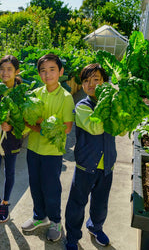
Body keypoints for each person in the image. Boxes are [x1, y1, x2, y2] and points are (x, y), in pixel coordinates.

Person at [65, 63, 123, 249]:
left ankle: (95, 227)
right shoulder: (82, 106)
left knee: (100, 203)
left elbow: (121, 131)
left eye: (96, 80)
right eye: (86, 81)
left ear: (105, 82)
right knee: (77, 203)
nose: (91, 84)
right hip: (85, 166)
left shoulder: (112, 104)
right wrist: (110, 108)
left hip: (107, 166)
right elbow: (96, 128)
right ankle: (72, 237)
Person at [21, 53, 75, 242]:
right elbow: (27, 120)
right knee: (35, 185)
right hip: (33, 149)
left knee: (51, 188)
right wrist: (44, 126)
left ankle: (55, 221)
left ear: (60, 72)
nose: (47, 74)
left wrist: (38, 124)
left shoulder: (66, 97)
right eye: (43, 71)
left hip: (52, 153)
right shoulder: (35, 93)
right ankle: (39, 216)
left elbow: (66, 128)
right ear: (39, 74)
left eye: (52, 69)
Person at [0, 55, 23, 223]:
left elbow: (25, 120)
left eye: (9, 69)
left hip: (12, 140)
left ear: (17, 72)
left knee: (10, 172)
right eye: (2, 69)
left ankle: (6, 203)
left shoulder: (20, 93)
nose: (5, 72)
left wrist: (12, 127)